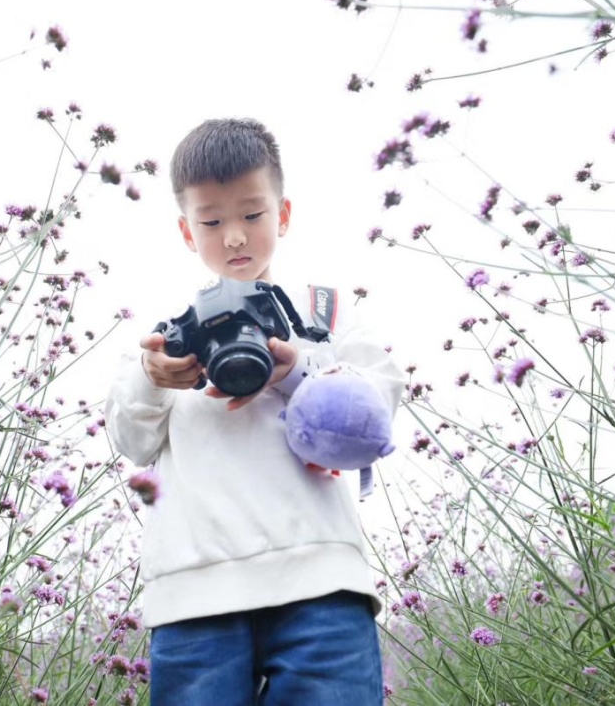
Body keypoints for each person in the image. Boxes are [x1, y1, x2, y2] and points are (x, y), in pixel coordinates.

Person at [105, 117, 406, 705]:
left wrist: (297, 374)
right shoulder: (167, 334)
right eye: (212, 222)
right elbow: (132, 441)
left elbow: (379, 409)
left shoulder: (323, 313)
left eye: (251, 214)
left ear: (283, 214)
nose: (235, 237)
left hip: (322, 583)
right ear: (187, 231)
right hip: (194, 593)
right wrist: (152, 375)